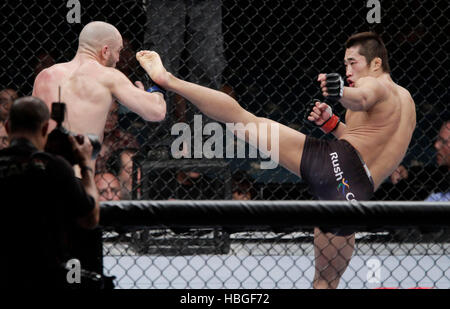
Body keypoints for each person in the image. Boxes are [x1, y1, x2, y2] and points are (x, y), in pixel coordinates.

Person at [140, 31, 417, 289]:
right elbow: (365, 144)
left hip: (338, 167)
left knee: (243, 120)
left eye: (353, 63)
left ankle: (168, 80)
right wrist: (333, 124)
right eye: (345, 65)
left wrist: (341, 91)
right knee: (324, 283)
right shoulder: (406, 102)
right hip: (355, 190)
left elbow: (363, 96)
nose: (348, 70)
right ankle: (169, 80)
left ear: (377, 63)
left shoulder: (376, 85)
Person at [32, 21, 166, 173]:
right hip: (75, 180)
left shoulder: (45, 76)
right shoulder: (108, 76)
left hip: (39, 177)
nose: (118, 59)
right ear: (105, 50)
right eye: (118, 51)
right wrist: (157, 86)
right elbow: (157, 112)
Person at [0, 96, 99, 288]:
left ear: (7, 127)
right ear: (46, 128)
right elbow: (90, 219)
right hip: (45, 275)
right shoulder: (55, 168)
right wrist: (85, 165)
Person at [95, 100, 139, 173]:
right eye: (104, 113)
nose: (110, 118)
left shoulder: (126, 140)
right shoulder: (82, 139)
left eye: (113, 113)